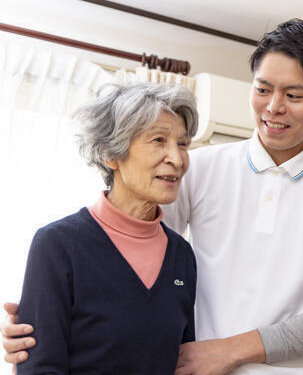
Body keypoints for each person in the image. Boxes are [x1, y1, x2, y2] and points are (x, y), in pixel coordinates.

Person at [3, 19, 303, 375]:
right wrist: (50, 315)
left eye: (293, 95)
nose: (274, 107)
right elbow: (135, 258)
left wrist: (228, 350)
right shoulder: (195, 167)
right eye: (262, 90)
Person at [9, 82, 199, 374]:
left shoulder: (181, 255)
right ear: (111, 154)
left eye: (182, 143)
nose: (176, 158)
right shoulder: (57, 244)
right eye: (159, 140)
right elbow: (40, 368)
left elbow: (183, 363)